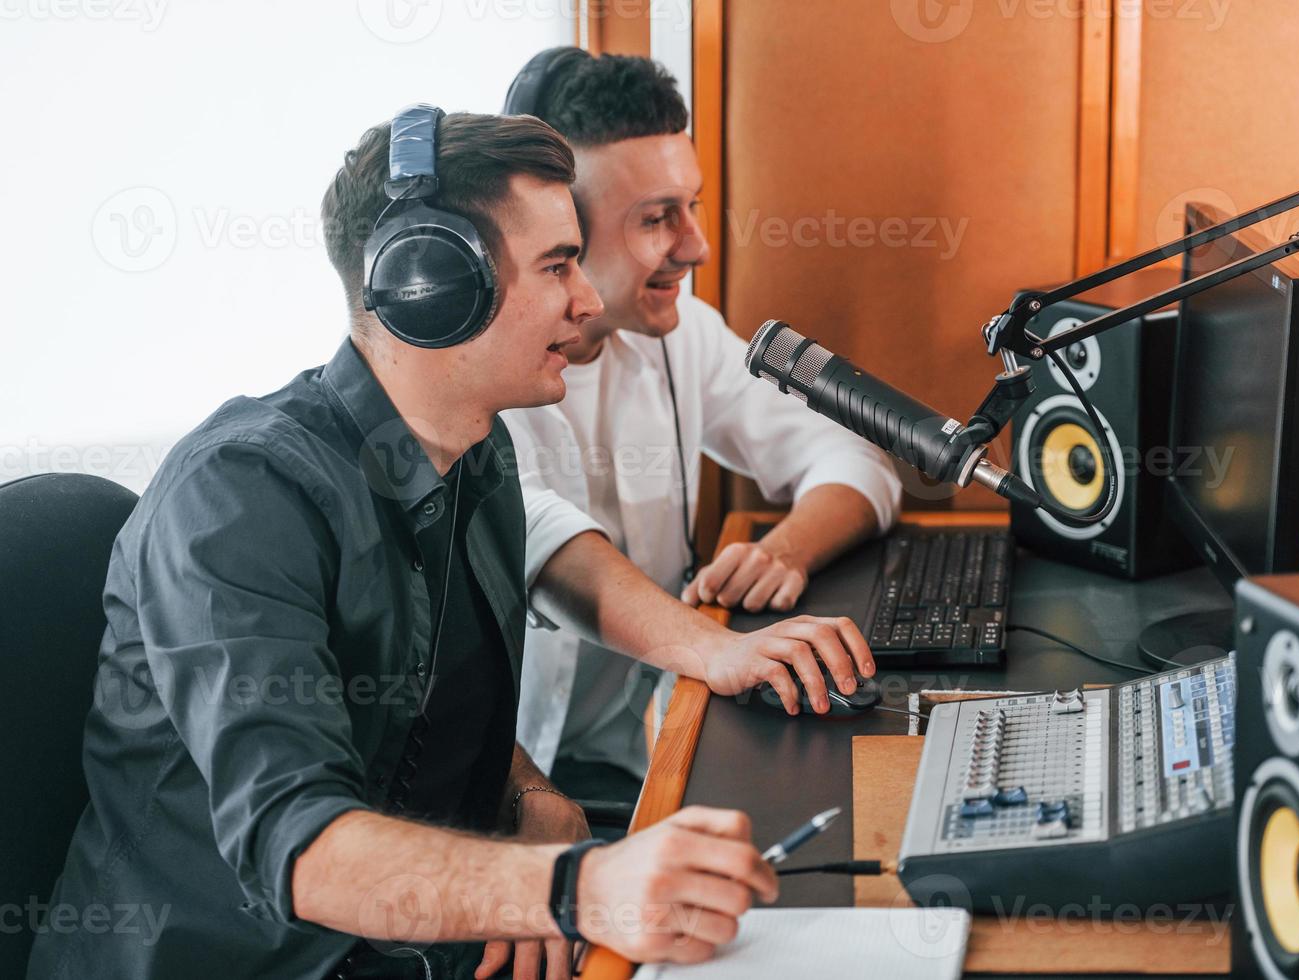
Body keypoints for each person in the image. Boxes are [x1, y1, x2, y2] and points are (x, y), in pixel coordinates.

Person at [29, 109, 867, 980]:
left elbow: (414, 703)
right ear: (432, 287)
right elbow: (302, 848)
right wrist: (570, 887)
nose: (586, 301)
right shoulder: (239, 499)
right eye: (558, 265)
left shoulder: (475, 452)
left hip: (418, 946)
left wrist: (532, 799)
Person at [499, 50, 904, 802]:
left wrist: (786, 550)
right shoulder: (479, 373)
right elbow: (540, 544)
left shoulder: (684, 336)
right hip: (498, 792)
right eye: (656, 218)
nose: (696, 246)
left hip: (620, 766)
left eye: (692, 206)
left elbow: (854, 458)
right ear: (565, 229)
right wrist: (713, 649)